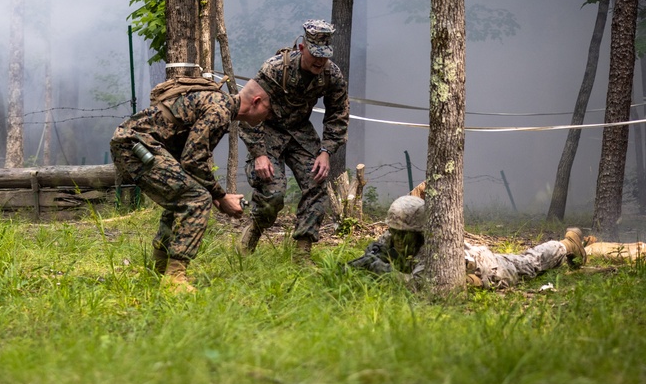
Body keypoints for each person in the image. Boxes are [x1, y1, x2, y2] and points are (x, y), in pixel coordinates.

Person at [110, 78, 273, 292]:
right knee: (196, 200)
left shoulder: (221, 106)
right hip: (135, 145)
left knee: (183, 198)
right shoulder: (221, 110)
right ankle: (174, 278)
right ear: (256, 101)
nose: (267, 118)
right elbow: (193, 159)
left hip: (136, 142)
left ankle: (158, 270)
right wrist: (220, 196)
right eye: (267, 111)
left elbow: (191, 162)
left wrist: (217, 194)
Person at [239, 19, 350, 256]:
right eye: (315, 54)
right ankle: (254, 230)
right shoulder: (276, 68)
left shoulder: (331, 74)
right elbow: (247, 107)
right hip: (267, 129)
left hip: (300, 131)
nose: (320, 61)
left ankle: (302, 252)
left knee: (316, 183)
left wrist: (326, 152)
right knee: (273, 193)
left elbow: (338, 115)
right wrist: (258, 154)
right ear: (302, 48)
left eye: (325, 55)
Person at [347, 194, 587, 288]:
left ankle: (567, 244)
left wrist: (383, 270)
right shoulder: (397, 234)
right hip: (469, 262)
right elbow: (383, 244)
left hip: (486, 266)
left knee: (529, 263)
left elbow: (419, 287)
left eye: (402, 234)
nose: (395, 238)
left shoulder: (433, 250)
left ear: (419, 232)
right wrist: (372, 256)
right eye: (393, 231)